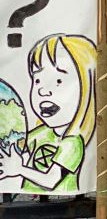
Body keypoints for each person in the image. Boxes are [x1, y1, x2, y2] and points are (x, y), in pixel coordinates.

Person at [0, 34, 97, 193]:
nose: (43, 91)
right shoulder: (42, 132)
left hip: (64, 204)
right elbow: (18, 147)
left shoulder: (72, 144)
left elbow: (51, 179)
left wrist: (19, 169)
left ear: (86, 86)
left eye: (59, 81)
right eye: (37, 81)